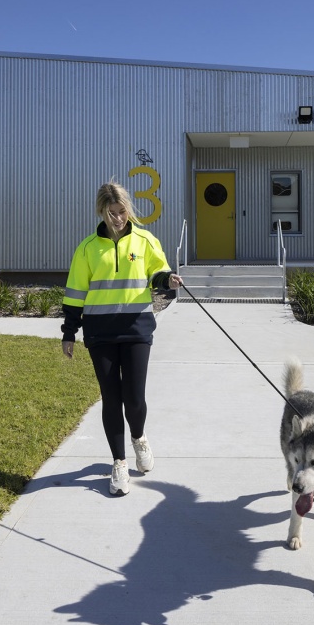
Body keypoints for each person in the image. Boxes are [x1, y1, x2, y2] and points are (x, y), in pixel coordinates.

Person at [61, 180, 183, 496]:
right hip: (100, 334)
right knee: (111, 399)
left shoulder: (144, 240)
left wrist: (167, 280)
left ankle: (139, 437)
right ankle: (119, 463)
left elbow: (158, 273)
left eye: (122, 211)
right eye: (112, 213)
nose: (118, 218)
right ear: (101, 211)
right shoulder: (88, 248)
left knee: (135, 397)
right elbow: (75, 293)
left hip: (136, 330)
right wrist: (69, 333)